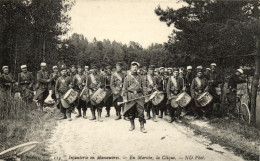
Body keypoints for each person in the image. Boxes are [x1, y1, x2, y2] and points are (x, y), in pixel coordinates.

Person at [122, 62, 147, 133]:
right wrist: (125, 98)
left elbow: (144, 87)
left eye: (136, 67)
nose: (135, 69)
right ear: (131, 68)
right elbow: (124, 89)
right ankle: (132, 125)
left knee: (141, 113)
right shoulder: (127, 78)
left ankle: (142, 127)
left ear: (138, 69)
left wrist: (145, 96)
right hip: (130, 97)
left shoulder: (141, 77)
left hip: (139, 97)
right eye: (133, 67)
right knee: (131, 112)